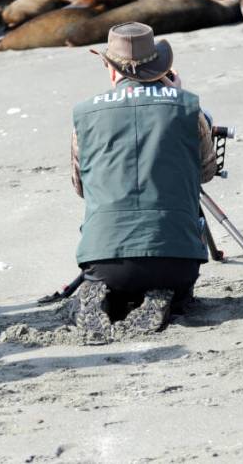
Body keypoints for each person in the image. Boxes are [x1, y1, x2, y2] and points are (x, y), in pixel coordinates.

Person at [70, 22, 217, 322]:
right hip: (177, 259)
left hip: (104, 258)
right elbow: (207, 171)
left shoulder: (84, 114)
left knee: (108, 276)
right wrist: (176, 98)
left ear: (111, 69)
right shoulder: (188, 106)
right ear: (161, 69)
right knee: (174, 283)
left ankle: (106, 293)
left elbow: (80, 185)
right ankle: (165, 297)